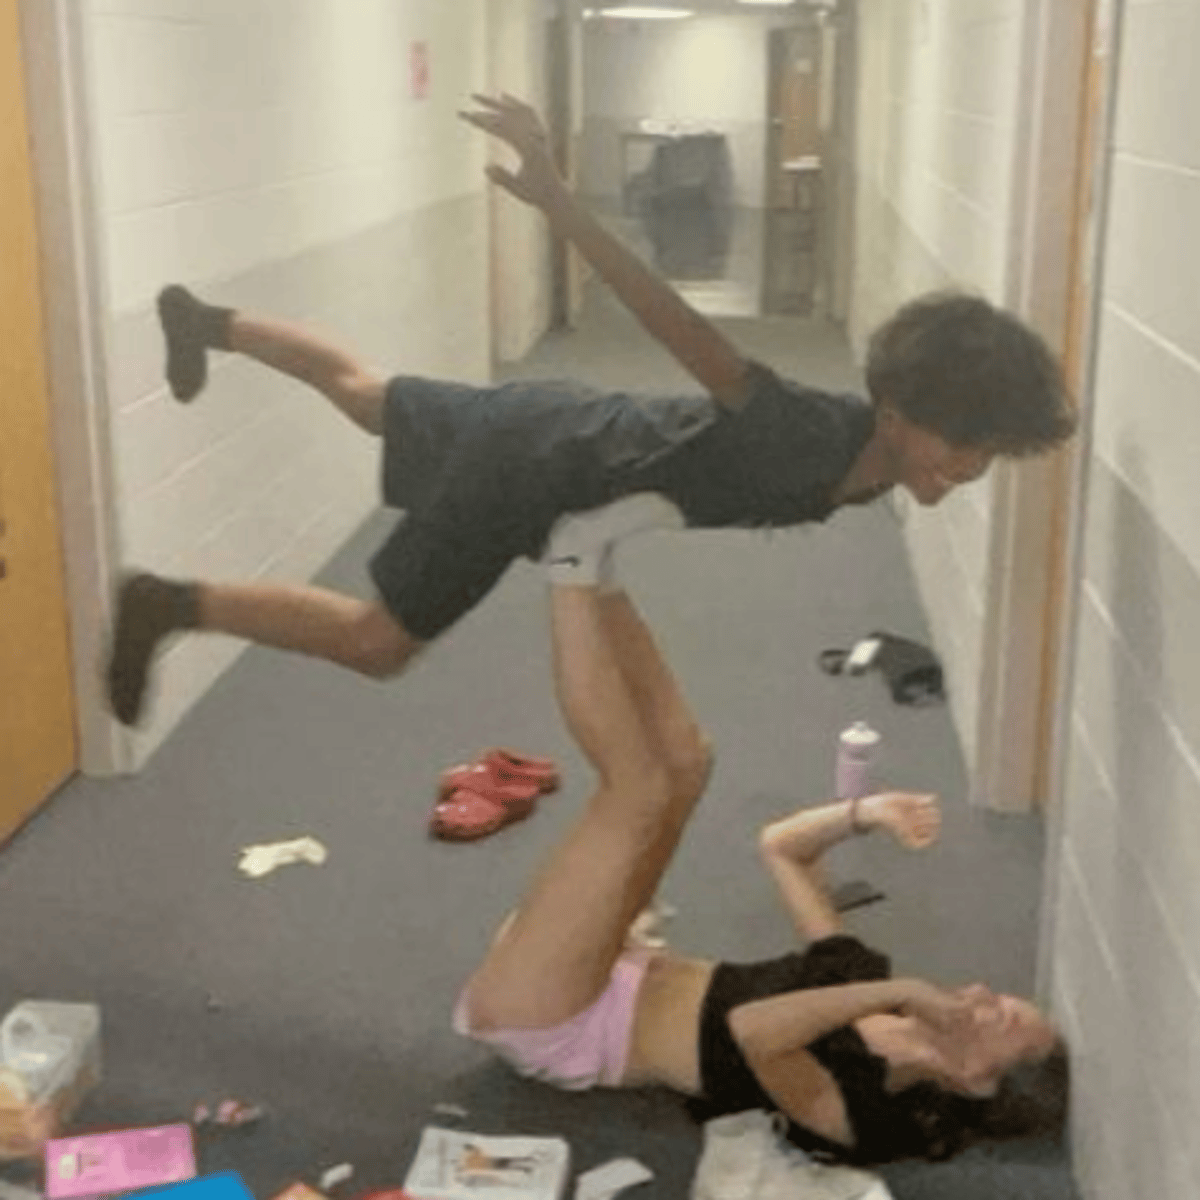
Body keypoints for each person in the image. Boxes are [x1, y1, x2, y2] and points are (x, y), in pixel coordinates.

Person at [106, 93, 1075, 726]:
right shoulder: (807, 435)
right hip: (531, 472)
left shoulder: (877, 462)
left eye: (988, 453)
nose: (967, 469)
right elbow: (673, 322)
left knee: (365, 396)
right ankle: (171, 602)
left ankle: (209, 323)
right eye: (961, 444)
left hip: (555, 419)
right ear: (895, 411)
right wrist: (560, 203)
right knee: (377, 643)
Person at [453, 522, 1067, 1167]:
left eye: (1002, 1020)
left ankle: (569, 569)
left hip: (557, 1018)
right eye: (1000, 997)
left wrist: (900, 995)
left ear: (976, 1080)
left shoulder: (869, 1111)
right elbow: (783, 849)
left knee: (636, 791)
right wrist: (863, 812)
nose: (980, 993)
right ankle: (598, 568)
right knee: (690, 762)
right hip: (617, 962)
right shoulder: (864, 979)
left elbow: (754, 1032)